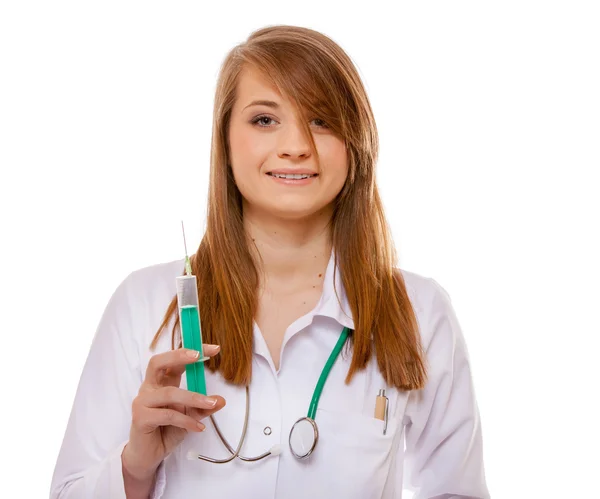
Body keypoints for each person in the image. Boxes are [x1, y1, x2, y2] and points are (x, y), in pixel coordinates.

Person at [50, 24, 490, 499]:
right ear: (226, 139)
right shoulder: (144, 303)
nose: (296, 145)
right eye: (264, 120)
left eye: (322, 120)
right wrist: (134, 467)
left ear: (356, 142)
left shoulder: (420, 311)